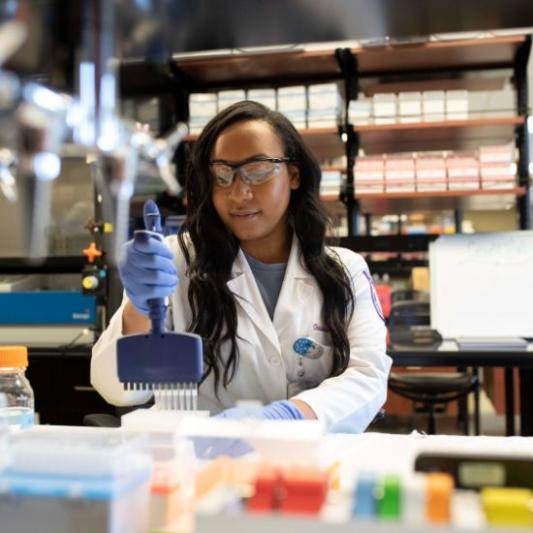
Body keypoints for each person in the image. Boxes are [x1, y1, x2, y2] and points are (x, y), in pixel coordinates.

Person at [91, 100, 392, 432]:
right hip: (201, 462)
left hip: (307, 463)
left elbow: (368, 377)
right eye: (222, 174)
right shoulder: (174, 261)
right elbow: (115, 388)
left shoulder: (345, 271)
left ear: (293, 174)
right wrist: (139, 305)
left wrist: (290, 416)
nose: (239, 193)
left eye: (258, 169)